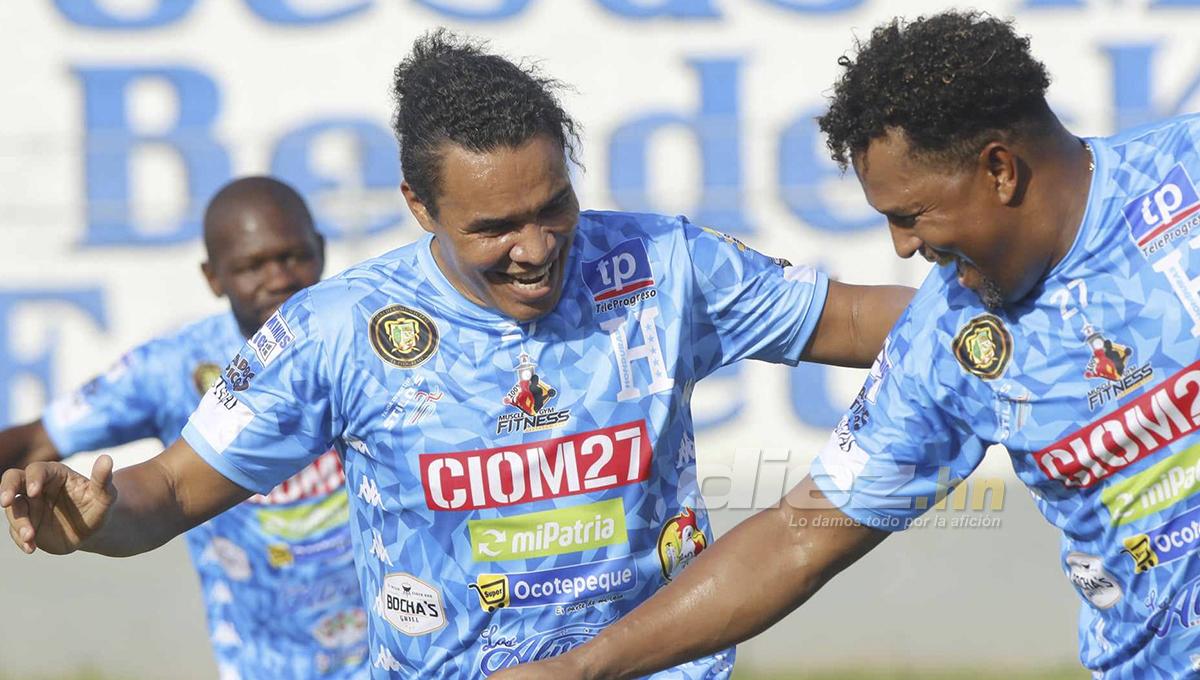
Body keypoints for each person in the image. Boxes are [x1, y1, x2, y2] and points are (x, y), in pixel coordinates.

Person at [0, 32, 912, 679]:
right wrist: (96, 517)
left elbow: (873, 321)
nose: (537, 246)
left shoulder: (663, 266)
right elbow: (167, 491)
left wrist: (1024, 315)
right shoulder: (338, 331)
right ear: (419, 205)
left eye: (554, 205)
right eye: (494, 227)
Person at [486, 10, 1200, 680]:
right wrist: (577, 668)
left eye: (910, 215)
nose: (903, 245)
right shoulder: (947, 339)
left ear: (999, 170)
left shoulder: (1186, 182)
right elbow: (799, 537)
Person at [0, 176, 368, 679]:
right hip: (263, 665)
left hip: (398, 655)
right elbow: (36, 439)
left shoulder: (370, 343)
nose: (279, 277)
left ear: (321, 249)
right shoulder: (174, 367)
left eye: (293, 256)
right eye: (251, 266)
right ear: (213, 277)